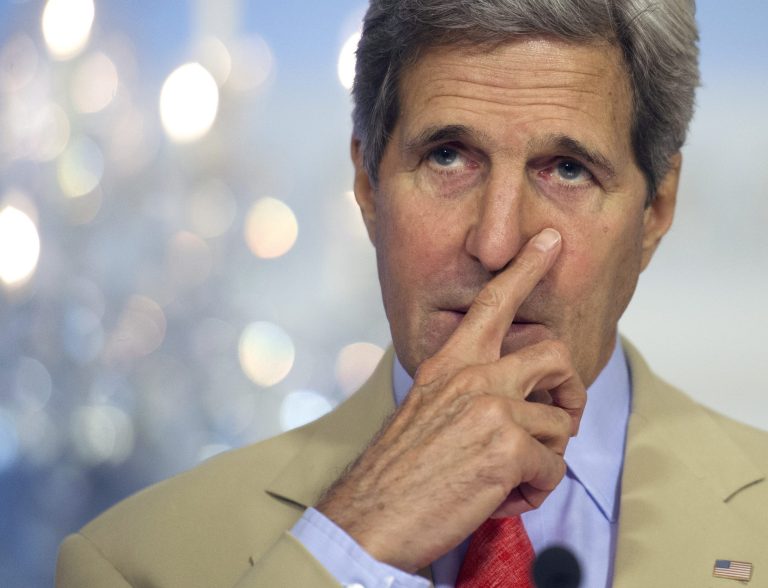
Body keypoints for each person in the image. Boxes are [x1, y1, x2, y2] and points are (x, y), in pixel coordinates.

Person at [56, 0, 768, 586]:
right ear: (368, 186)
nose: (496, 244)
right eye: (448, 157)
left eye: (567, 170)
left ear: (656, 211)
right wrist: (352, 542)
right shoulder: (130, 563)